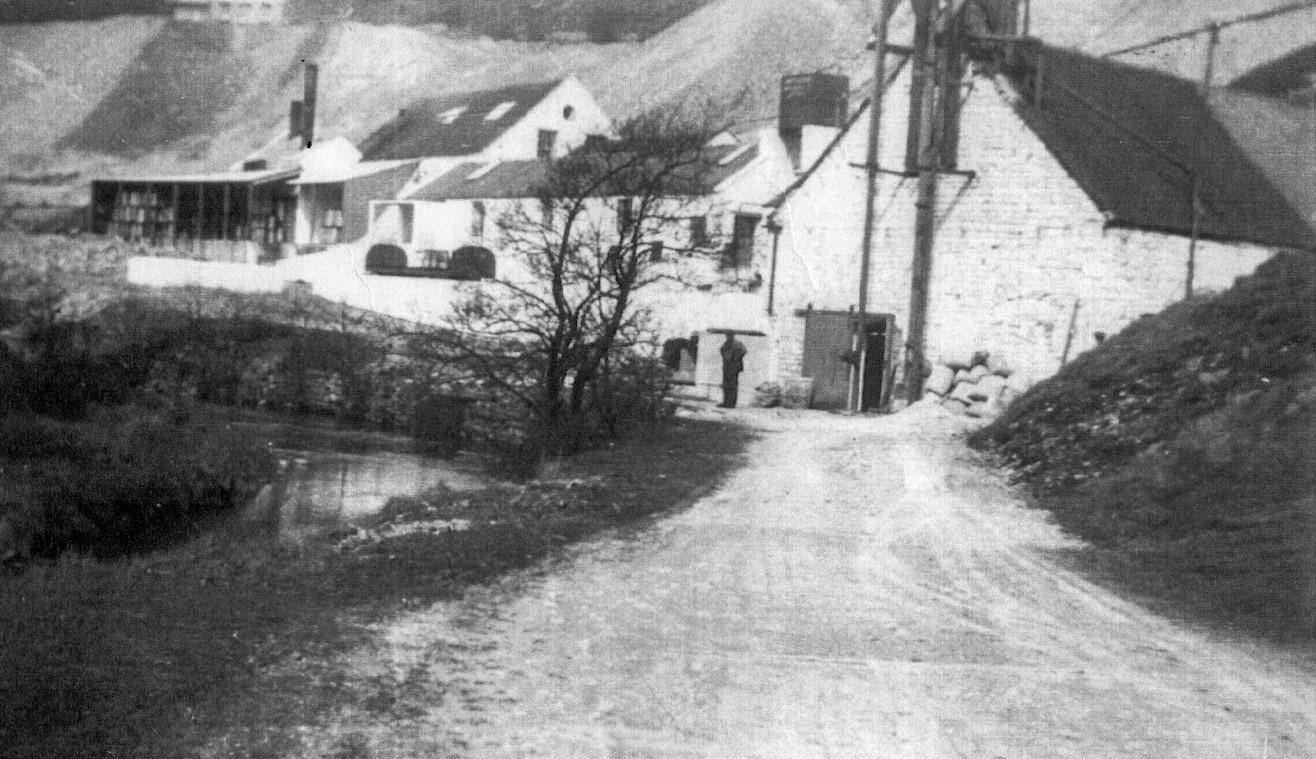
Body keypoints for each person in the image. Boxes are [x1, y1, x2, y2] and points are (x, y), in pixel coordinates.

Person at [718, 332, 747, 408]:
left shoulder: (737, 343)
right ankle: (725, 402)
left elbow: (744, 351)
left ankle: (732, 403)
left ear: (733, 336)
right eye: (727, 335)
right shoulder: (726, 344)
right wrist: (726, 356)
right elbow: (721, 350)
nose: (728, 337)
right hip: (727, 367)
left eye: (730, 335)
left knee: (733, 385)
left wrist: (735, 358)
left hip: (734, 368)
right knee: (726, 385)